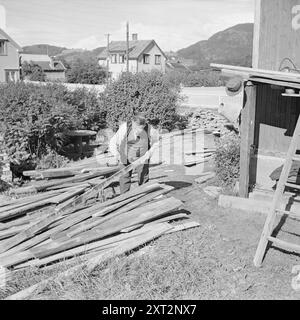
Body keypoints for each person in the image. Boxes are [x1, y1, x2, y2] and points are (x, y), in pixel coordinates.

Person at [108, 112, 159, 194]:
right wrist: (117, 155)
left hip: (142, 156)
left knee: (143, 177)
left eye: (141, 129)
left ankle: (144, 197)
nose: (139, 131)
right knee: (124, 178)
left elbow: (156, 142)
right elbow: (112, 143)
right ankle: (124, 199)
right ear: (133, 123)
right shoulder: (124, 128)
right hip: (125, 155)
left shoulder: (150, 129)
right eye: (136, 128)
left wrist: (149, 153)